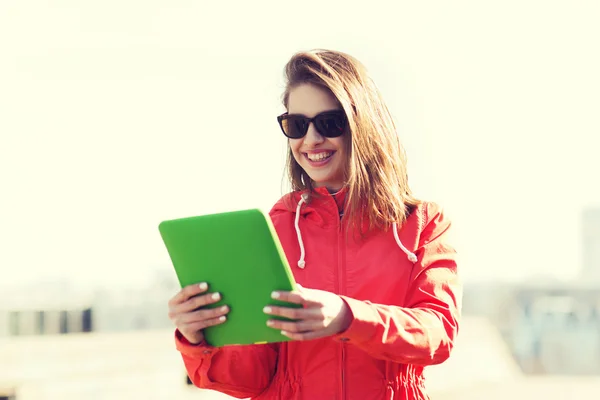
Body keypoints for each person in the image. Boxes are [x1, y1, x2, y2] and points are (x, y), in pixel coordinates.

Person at [167, 49, 462, 400]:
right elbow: (249, 378)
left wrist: (348, 316)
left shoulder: (423, 224)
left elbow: (438, 333)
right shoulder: (274, 228)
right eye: (296, 125)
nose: (311, 140)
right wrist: (197, 338)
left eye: (329, 123)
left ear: (362, 123)